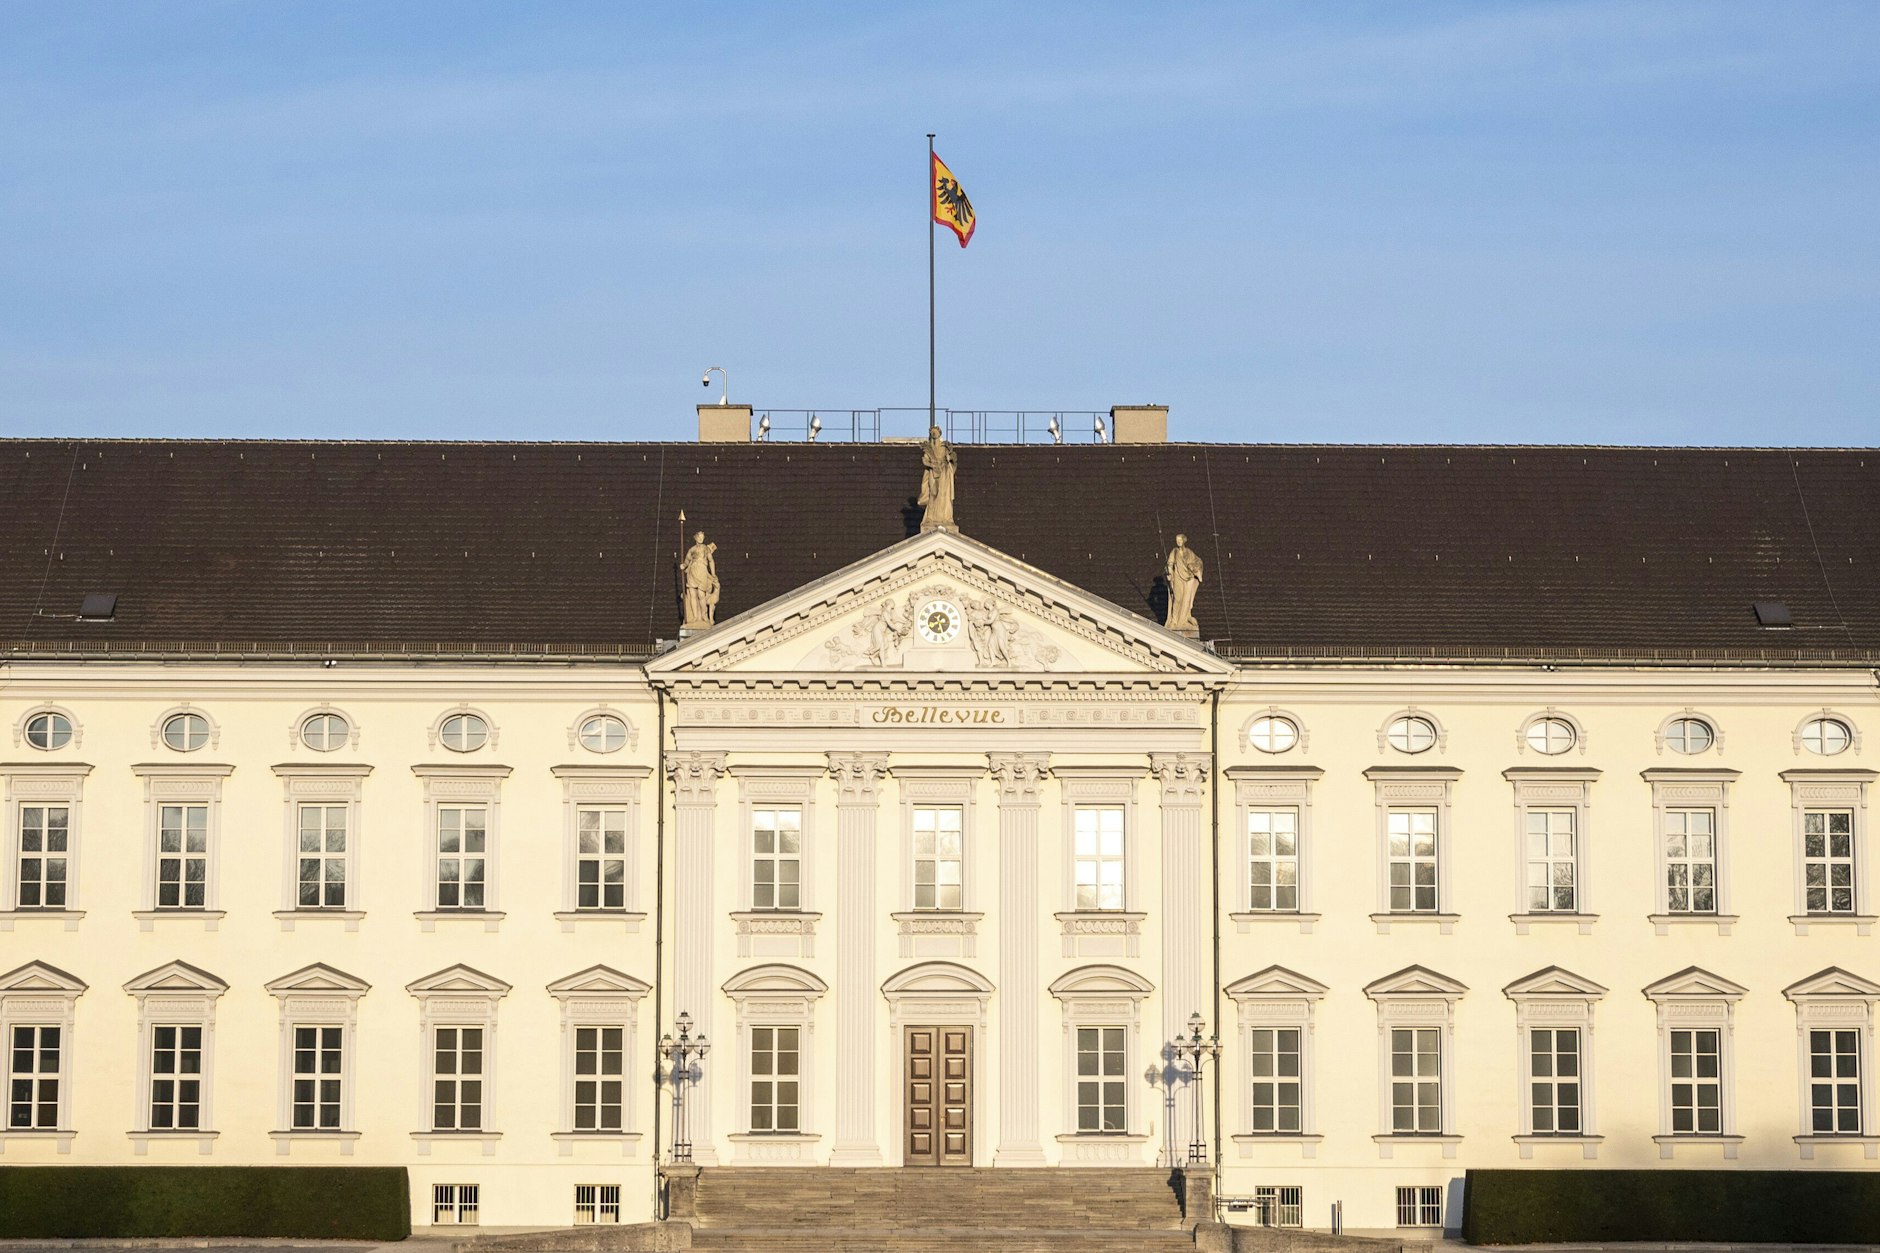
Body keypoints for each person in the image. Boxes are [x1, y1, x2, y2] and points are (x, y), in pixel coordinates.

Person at [918, 425, 957, 531]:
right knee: (933, 494)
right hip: (933, 473)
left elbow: (953, 458)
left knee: (943, 494)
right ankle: (931, 517)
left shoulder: (944, 447)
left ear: (940, 434)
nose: (934, 434)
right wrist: (932, 465)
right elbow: (925, 461)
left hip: (943, 472)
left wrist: (950, 458)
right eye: (932, 432)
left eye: (936, 432)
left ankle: (944, 517)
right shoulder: (929, 448)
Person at [1165, 533, 1203, 636]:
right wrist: (1170, 574)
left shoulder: (1189, 553)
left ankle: (1184, 619)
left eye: (1180, 540)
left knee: (1186, 599)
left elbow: (1198, 561)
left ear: (1184, 541)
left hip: (1188, 578)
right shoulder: (1174, 551)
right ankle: (1174, 621)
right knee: (1177, 598)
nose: (1178, 542)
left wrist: (1194, 567)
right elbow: (1170, 564)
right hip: (1177, 577)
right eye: (1177, 540)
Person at [680, 531, 720, 629]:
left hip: (702, 571)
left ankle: (704, 616)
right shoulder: (692, 549)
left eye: (702, 537)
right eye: (699, 537)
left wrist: (713, 573)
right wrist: (684, 565)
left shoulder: (706, 549)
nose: (701, 539)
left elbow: (711, 561)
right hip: (692, 571)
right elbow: (687, 560)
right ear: (696, 538)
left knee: (701, 595)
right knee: (693, 594)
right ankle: (694, 617)